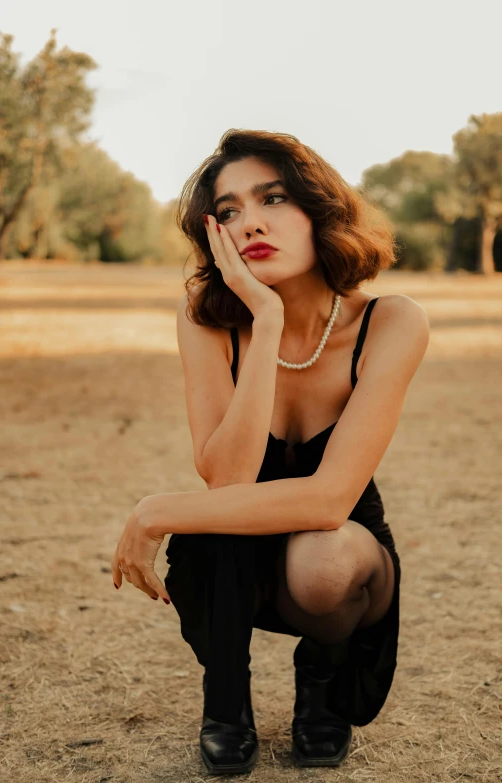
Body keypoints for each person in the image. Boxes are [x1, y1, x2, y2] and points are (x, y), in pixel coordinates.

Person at [111, 129, 430, 776]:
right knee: (223, 527)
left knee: (321, 551)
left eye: (273, 198)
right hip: (236, 565)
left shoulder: (391, 322)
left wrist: (155, 510)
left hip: (341, 560)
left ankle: (323, 681)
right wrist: (266, 324)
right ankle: (224, 703)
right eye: (227, 211)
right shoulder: (206, 316)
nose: (249, 222)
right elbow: (227, 477)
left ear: (319, 207)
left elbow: (329, 497)